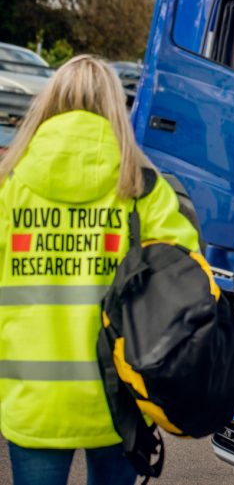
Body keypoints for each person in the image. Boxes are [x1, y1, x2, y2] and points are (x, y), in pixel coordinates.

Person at [0, 55, 199, 485]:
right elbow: (188, 278)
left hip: (31, 396)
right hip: (120, 399)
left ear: (48, 102)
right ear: (115, 106)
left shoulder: (10, 185)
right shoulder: (143, 188)